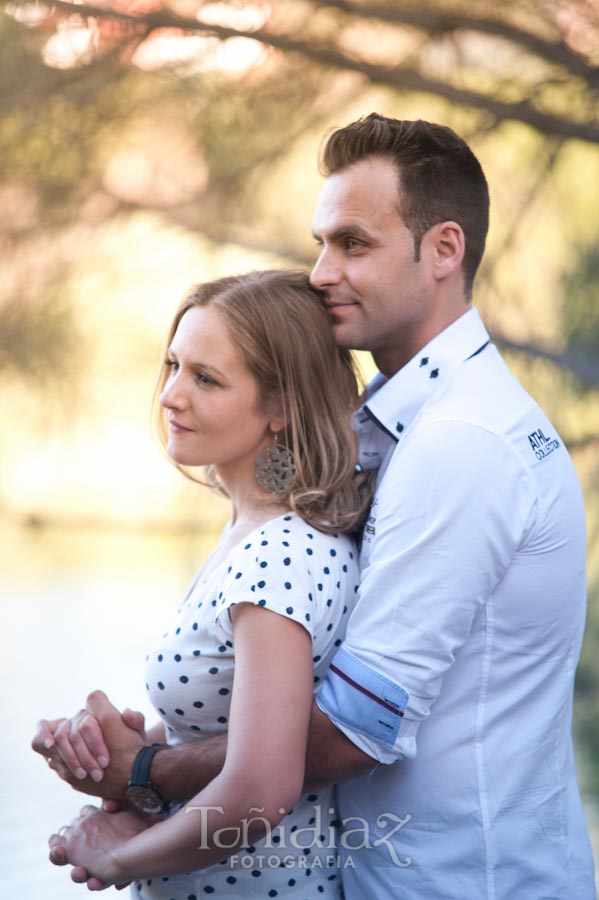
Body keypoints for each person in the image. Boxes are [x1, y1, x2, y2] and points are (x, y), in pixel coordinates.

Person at [35, 114, 596, 899]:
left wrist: (140, 776)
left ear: (442, 249)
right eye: (320, 242)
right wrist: (155, 743)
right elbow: (291, 682)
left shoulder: (460, 443)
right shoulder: (400, 426)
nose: (322, 271)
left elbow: (345, 734)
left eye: (353, 244)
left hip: (461, 882)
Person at [35, 269, 368, 897]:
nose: (170, 395)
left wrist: (122, 859)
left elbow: (261, 790)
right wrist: (123, 758)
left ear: (281, 408)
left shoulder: (279, 559)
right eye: (174, 365)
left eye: (206, 378)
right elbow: (226, 729)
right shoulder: (254, 532)